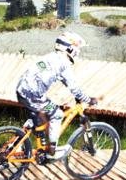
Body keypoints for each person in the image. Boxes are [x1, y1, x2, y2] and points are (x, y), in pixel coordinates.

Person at [14, 31, 97, 162]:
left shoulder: (51, 57)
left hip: (22, 90)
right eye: (77, 48)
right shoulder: (64, 64)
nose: (78, 52)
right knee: (57, 114)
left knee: (43, 111)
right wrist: (88, 99)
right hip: (33, 95)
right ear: (70, 48)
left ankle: (19, 140)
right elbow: (74, 87)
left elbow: (63, 81)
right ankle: (52, 151)